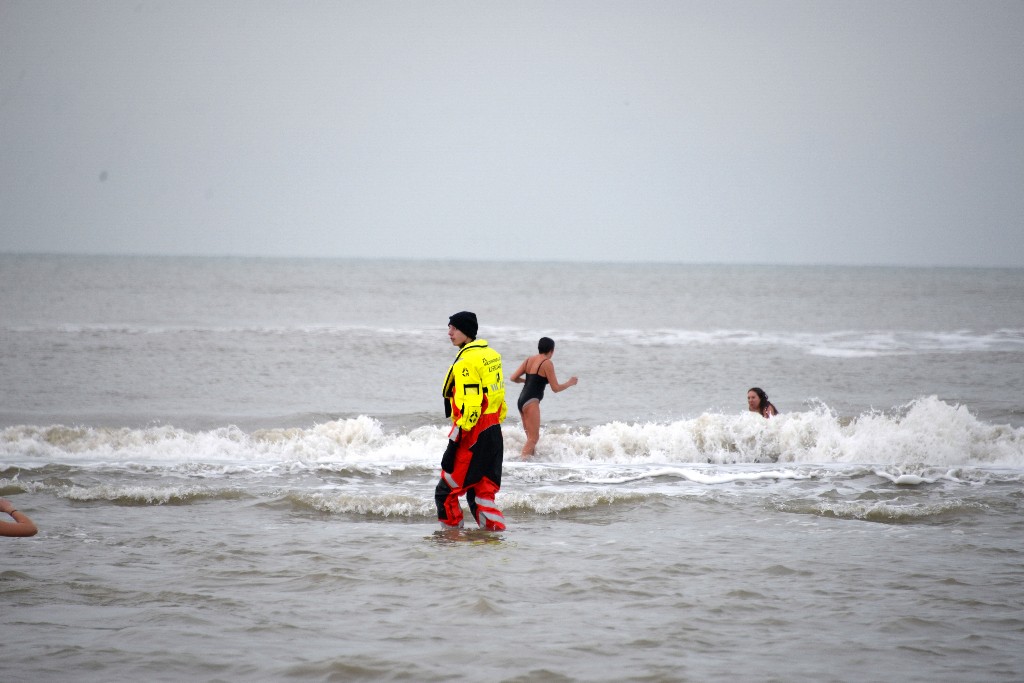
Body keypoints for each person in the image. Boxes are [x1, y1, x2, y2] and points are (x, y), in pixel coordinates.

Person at [435, 311, 508, 531]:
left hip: (473, 436)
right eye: (449, 328)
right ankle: (494, 541)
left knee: (445, 493)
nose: (449, 333)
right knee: (481, 495)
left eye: (454, 328)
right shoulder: (491, 355)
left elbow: (471, 408)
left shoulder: (466, 361)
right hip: (494, 432)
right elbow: (499, 400)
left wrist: (453, 444)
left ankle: (451, 541)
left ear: (466, 332)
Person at [510, 337, 578, 457]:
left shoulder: (529, 360)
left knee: (530, 438)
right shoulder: (547, 363)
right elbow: (555, 388)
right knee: (534, 438)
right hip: (531, 401)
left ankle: (529, 464)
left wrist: (527, 381)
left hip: (521, 400)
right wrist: (569, 383)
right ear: (552, 350)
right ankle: (523, 464)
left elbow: (513, 378)